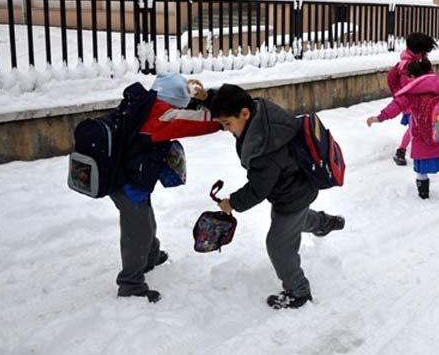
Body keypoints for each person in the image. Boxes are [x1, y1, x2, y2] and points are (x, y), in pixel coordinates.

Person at [210, 84, 345, 310]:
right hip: (296, 187)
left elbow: (257, 189)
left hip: (292, 196)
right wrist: (208, 98)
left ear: (244, 113)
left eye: (227, 124)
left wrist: (232, 203)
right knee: (294, 223)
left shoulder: (266, 147)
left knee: (278, 245)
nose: (226, 130)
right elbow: (231, 100)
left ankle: (298, 291)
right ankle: (324, 223)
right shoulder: (259, 112)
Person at [113, 73, 222, 303]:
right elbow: (204, 122)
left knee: (144, 219)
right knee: (137, 230)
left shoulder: (146, 105)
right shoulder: (162, 116)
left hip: (128, 177)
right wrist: (222, 115)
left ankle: (150, 256)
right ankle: (130, 283)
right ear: (174, 101)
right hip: (126, 183)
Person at [367, 56, 439, 200]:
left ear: (413, 76)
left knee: (421, 167)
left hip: (422, 136)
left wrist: (380, 117)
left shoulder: (413, 94)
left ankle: (423, 195)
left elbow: (396, 106)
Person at [387, 33, 438, 166]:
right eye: (425, 51)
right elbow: (409, 87)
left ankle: (404, 151)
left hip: (420, 102)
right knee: (414, 127)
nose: (426, 54)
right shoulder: (407, 66)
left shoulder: (418, 60)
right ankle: (401, 151)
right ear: (418, 50)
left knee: (416, 127)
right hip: (412, 104)